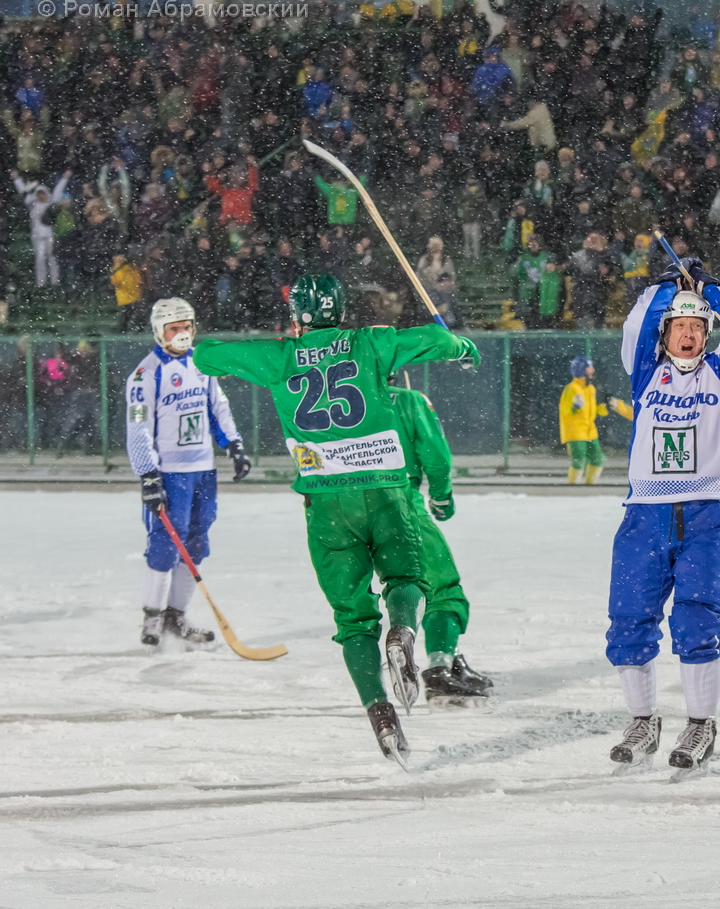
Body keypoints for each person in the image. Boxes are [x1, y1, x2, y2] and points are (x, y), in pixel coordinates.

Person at [194, 274, 480, 763]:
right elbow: (437, 341)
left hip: (326, 502)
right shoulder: (370, 342)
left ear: (296, 316)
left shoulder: (281, 357)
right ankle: (404, 631)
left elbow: (206, 356)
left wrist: (266, 350)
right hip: (386, 490)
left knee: (352, 620)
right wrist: (460, 347)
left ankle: (380, 713)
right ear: (342, 310)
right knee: (407, 578)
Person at [605, 259, 720, 777]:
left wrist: (709, 287)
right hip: (644, 514)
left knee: (696, 620)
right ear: (666, 332)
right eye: (679, 326)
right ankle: (642, 722)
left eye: (696, 327)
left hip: (707, 513)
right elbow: (636, 323)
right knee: (629, 619)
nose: (688, 335)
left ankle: (700, 725)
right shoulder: (644, 372)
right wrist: (664, 288)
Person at [125, 298, 251, 648]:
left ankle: (175, 616)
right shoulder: (146, 374)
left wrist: (234, 445)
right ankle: (152, 618)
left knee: (196, 542)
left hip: (202, 471)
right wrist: (148, 474)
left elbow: (218, 407)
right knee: (166, 543)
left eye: (187, 327)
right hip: (170, 473)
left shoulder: (202, 363)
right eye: (174, 328)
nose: (182, 334)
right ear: (159, 332)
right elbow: (138, 429)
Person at [386, 377, 493, 706]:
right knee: (441, 588)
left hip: (339, 512)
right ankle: (438, 667)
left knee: (365, 607)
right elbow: (435, 454)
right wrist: (441, 497)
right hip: (399, 502)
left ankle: (452, 657)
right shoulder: (407, 400)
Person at [560, 356, 634, 484]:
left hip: (590, 432)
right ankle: (573, 487)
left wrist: (605, 407)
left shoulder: (590, 389)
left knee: (598, 459)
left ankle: (590, 486)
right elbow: (565, 409)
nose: (592, 370)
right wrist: (574, 406)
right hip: (575, 432)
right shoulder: (572, 389)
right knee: (579, 459)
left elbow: (594, 410)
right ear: (581, 369)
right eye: (589, 367)